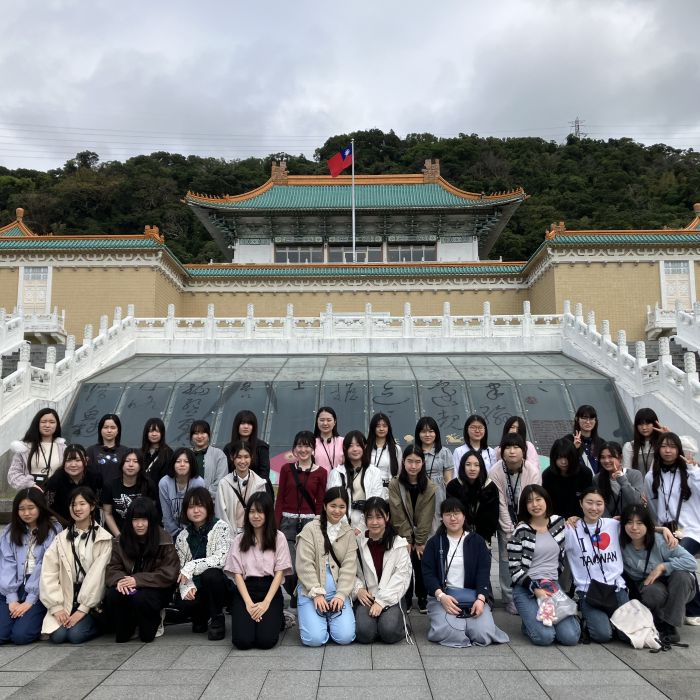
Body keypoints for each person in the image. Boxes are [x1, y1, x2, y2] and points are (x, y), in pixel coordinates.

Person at [422, 498, 509, 648]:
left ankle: (469, 624)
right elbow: (428, 574)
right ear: (442, 517)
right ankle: (456, 624)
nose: (453, 518)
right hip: (444, 597)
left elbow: (483, 573)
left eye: (457, 513)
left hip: (473, 596)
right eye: (448, 514)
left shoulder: (477, 541)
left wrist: (481, 599)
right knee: (453, 632)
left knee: (483, 634)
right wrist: (441, 596)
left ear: (464, 516)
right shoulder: (434, 543)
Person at [508, 485, 580, 646]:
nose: (535, 504)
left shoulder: (559, 523)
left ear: (546, 500)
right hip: (526, 588)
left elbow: (582, 527)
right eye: (529, 501)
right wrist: (535, 589)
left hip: (551, 585)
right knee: (545, 637)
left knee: (570, 637)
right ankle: (529, 623)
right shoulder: (520, 531)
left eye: (538, 499)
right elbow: (514, 569)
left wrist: (576, 519)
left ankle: (538, 619)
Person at [39, 486, 112, 644]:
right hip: (66, 598)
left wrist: (82, 609)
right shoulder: (60, 539)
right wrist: (56, 607)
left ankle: (101, 626)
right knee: (58, 636)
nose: (77, 508)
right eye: (73, 504)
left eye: (82, 504)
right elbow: (49, 573)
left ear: (92, 506)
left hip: (92, 603)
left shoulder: (104, 539)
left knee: (75, 636)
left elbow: (98, 577)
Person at [104, 497, 179, 643]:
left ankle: (156, 617)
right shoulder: (121, 540)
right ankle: (129, 624)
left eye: (144, 520)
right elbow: (113, 568)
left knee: (146, 637)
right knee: (114, 594)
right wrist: (120, 580)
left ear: (151, 520)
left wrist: (137, 580)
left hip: (155, 589)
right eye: (135, 520)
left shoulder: (164, 539)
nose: (139, 524)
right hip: (130, 588)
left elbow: (169, 573)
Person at [644, 432, 700, 624]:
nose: (668, 450)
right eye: (664, 446)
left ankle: (690, 608)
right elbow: (653, 506)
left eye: (673, 446)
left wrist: (693, 469)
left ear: (679, 450)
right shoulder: (651, 476)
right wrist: (660, 526)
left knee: (680, 556)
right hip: (666, 529)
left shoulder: (691, 472)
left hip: (691, 529)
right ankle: (689, 607)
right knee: (678, 562)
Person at [620, 503, 697, 644]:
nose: (634, 527)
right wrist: (575, 519)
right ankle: (658, 618)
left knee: (682, 576)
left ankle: (670, 626)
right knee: (652, 593)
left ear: (647, 524)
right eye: (629, 522)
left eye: (640, 523)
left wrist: (663, 566)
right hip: (649, 585)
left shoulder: (661, 541)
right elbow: (596, 522)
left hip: (679, 586)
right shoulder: (619, 539)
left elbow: (691, 562)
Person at [225, 492, 292, 649]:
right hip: (245, 590)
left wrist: (265, 603)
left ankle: (278, 617)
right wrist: (249, 604)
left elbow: (280, 573)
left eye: (260, 511)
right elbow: (237, 574)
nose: (255, 516)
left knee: (266, 641)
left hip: (270, 589)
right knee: (242, 642)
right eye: (252, 511)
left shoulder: (279, 538)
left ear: (268, 513)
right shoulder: (239, 539)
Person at [564, 487, 629, 643]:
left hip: (616, 587)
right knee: (603, 635)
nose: (594, 508)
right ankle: (591, 620)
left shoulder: (613, 524)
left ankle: (614, 622)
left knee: (627, 635)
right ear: (581, 503)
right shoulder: (571, 528)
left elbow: (639, 528)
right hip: (588, 590)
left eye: (599, 503)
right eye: (589, 502)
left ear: (604, 505)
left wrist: (664, 530)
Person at [295, 486, 357, 646]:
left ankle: (326, 619)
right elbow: (304, 564)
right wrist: (316, 593)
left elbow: (349, 567)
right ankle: (314, 618)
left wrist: (341, 595)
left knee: (345, 637)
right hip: (311, 591)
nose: (337, 511)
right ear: (324, 506)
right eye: (333, 506)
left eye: (342, 507)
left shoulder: (348, 532)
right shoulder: (310, 529)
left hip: (337, 591)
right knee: (314, 639)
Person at [488, 433, 541, 614]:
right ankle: (508, 597)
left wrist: (524, 526)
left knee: (528, 556)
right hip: (505, 521)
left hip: (526, 519)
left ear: (523, 451)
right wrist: (509, 529)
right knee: (506, 557)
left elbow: (533, 501)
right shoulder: (495, 471)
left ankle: (529, 592)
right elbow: (500, 502)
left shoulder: (532, 471)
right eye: (508, 447)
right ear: (502, 451)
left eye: (516, 447)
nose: (512, 451)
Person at [0, 488, 62, 644]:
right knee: (1, 634)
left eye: (31, 508)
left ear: (40, 507)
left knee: (20, 636)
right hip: (13, 585)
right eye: (21, 509)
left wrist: (30, 600)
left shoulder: (53, 530)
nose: (26, 513)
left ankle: (37, 621)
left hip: (40, 588)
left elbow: (45, 566)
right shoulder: (10, 531)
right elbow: (6, 563)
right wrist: (11, 598)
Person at [274, 430, 328, 603]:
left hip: (310, 522)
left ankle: (299, 600)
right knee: (288, 566)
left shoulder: (321, 472)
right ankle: (294, 594)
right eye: (299, 446)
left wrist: (319, 524)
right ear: (294, 448)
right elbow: (280, 498)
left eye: (307, 446)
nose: (303, 450)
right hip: (287, 522)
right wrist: (275, 525)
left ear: (313, 449)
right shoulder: (286, 469)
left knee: (306, 564)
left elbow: (320, 502)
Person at [353, 497, 412, 644]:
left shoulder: (398, 544)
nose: (374, 522)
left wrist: (381, 602)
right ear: (364, 519)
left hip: (391, 595)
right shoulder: (357, 542)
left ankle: (400, 625)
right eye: (370, 517)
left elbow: (402, 577)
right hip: (367, 596)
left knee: (389, 632)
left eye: (379, 517)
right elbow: (349, 571)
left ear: (387, 517)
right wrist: (358, 589)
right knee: (364, 634)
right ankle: (376, 627)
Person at [175, 487, 231, 641]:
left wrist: (192, 566)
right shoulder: (182, 536)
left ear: (208, 506)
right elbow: (181, 568)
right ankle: (201, 615)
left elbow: (220, 559)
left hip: (220, 584)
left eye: (200, 505)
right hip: (198, 586)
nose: (196, 511)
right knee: (184, 603)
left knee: (211, 574)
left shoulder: (221, 527)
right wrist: (188, 587)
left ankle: (217, 618)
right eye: (191, 507)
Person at [389, 445, 438, 614]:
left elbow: (427, 515)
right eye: (410, 461)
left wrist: (420, 541)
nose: (413, 466)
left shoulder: (429, 486)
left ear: (423, 463)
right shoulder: (395, 484)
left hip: (423, 533)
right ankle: (407, 598)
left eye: (417, 462)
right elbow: (397, 513)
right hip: (401, 532)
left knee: (421, 561)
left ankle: (423, 597)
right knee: (404, 563)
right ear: (403, 462)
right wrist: (407, 539)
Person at [328, 431, 383, 534]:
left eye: (358, 445)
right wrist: (346, 528)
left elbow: (376, 502)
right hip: (340, 528)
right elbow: (332, 502)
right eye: (351, 446)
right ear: (345, 448)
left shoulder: (374, 472)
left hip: (368, 527)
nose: (355, 449)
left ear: (365, 447)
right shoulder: (336, 473)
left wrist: (360, 528)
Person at [446, 450, 499, 544]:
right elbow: (451, 513)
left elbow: (492, 517)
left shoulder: (490, 487)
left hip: (483, 537)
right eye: (468, 464)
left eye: (476, 465)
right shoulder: (453, 486)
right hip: (458, 536)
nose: (472, 468)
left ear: (481, 467)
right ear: (462, 466)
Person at [216, 440, 267, 537]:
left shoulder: (259, 483)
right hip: (229, 536)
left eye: (246, 457)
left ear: (252, 457)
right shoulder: (224, 483)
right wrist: (229, 537)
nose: (243, 461)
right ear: (232, 457)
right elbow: (221, 514)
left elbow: (262, 511)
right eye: (239, 457)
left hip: (253, 534)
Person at [102, 450, 157, 536]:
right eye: (127, 461)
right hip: (116, 533)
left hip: (142, 533)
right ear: (122, 464)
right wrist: (119, 536)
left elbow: (151, 513)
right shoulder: (110, 485)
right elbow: (107, 513)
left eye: (135, 461)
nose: (131, 465)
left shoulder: (148, 485)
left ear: (140, 466)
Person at [8, 408, 66, 490]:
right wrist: (30, 485)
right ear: (37, 423)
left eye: (52, 422)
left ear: (57, 425)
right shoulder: (24, 448)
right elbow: (13, 474)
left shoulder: (63, 449)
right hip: (31, 493)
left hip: (56, 493)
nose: (47, 425)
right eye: (43, 422)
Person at [44, 444, 103, 524]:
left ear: (86, 460)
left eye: (78, 460)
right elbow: (47, 506)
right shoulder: (55, 479)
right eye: (68, 460)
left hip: (90, 521)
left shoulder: (95, 477)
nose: (73, 465)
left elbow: (99, 502)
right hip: (62, 522)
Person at [414, 416, 453, 531]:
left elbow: (448, 479)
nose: (427, 435)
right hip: (419, 491)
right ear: (418, 434)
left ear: (436, 433)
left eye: (431, 431)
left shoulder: (444, 452)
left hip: (439, 493)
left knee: (438, 524)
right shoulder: (414, 452)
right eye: (423, 431)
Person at [159, 448, 206, 538]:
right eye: (178, 461)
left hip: (194, 531)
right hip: (171, 533)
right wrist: (176, 534)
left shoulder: (198, 482)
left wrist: (191, 534)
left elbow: (199, 512)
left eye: (186, 461)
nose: (182, 464)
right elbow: (166, 514)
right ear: (173, 464)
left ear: (192, 464)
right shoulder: (164, 483)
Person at [223, 410, 272, 496]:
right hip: (234, 492)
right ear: (237, 426)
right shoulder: (228, 448)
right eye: (242, 423)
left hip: (258, 491)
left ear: (253, 427)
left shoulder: (261, 447)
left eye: (249, 424)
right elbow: (226, 473)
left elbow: (264, 474)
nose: (246, 427)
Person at [542, 438, 592, 519]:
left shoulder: (585, 473)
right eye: (559, 458)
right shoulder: (547, 475)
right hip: (556, 519)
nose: (563, 462)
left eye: (567, 457)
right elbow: (547, 502)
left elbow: (589, 499)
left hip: (580, 518)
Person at [594, 441, 643, 517]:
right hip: (608, 522)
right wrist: (610, 521)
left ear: (620, 457)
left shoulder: (635, 474)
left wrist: (622, 479)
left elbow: (636, 502)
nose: (606, 460)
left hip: (630, 521)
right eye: (603, 457)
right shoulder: (597, 478)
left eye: (610, 456)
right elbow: (599, 505)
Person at [189, 419, 228, 502]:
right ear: (191, 436)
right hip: (188, 501)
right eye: (196, 433)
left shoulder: (218, 454)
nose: (199, 436)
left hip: (211, 502)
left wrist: (204, 496)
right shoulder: (186, 454)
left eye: (203, 433)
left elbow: (221, 481)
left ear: (209, 435)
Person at [622, 408, 668, 476]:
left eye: (647, 423)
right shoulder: (630, 446)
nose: (644, 428)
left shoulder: (663, 444)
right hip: (637, 483)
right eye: (640, 424)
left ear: (655, 424)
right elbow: (626, 473)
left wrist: (668, 436)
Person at [366, 412, 402, 499]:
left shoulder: (396, 449)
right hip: (369, 489)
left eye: (384, 426)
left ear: (388, 428)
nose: (381, 429)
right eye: (378, 426)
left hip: (388, 491)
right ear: (373, 428)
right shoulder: (366, 448)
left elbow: (399, 472)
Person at [86, 414, 130, 484]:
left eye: (113, 428)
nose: (109, 431)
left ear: (118, 430)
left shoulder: (125, 451)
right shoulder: (91, 451)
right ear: (100, 430)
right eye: (105, 427)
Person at [564, 404, 605, 475]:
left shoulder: (601, 443)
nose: (588, 422)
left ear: (595, 421)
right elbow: (563, 463)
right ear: (577, 419)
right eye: (584, 418)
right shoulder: (568, 440)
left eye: (591, 418)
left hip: (597, 481)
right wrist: (574, 449)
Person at [141, 417, 173, 487]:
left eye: (157, 431)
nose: (154, 434)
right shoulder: (141, 452)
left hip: (159, 490)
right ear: (146, 433)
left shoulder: (168, 453)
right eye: (151, 431)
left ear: (162, 433)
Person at [313, 406, 344, 472]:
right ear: (317, 421)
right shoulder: (311, 442)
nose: (325, 423)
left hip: (338, 478)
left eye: (329, 420)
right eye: (322, 420)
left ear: (334, 422)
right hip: (318, 478)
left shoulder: (343, 441)